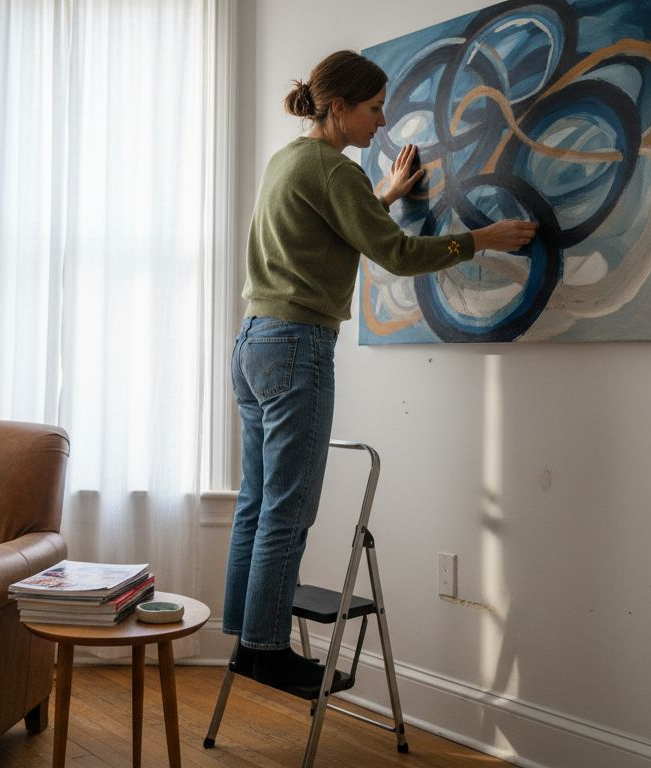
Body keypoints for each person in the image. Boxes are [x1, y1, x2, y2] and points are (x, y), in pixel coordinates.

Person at [223, 50, 537, 691]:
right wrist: (482, 238)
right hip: (297, 345)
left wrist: (387, 194)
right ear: (337, 106)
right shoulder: (333, 170)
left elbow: (333, 232)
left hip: (254, 341)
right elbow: (392, 254)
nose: (382, 120)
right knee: (289, 511)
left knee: (257, 505)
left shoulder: (287, 160)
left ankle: (246, 643)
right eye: (372, 108)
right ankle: (268, 651)